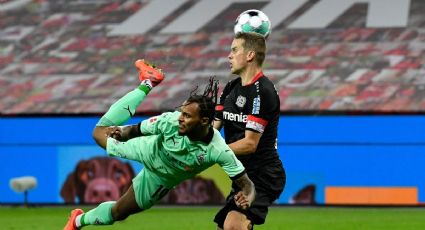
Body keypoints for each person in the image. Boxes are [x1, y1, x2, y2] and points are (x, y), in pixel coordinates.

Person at [63, 60, 256, 230]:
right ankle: (147, 83)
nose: (180, 118)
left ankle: (77, 221)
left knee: (119, 213)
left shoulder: (218, 150)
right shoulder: (169, 121)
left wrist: (247, 197)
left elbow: (247, 186)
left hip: (159, 179)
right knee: (99, 133)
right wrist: (120, 133)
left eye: (187, 116)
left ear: (204, 121)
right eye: (182, 113)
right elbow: (135, 130)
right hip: (145, 149)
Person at [213, 32, 286, 230]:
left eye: (234, 50)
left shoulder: (263, 91)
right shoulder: (230, 88)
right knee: (226, 227)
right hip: (242, 174)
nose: (229, 55)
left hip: (264, 174)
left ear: (250, 55)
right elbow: (212, 131)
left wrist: (210, 153)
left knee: (233, 225)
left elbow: (249, 144)